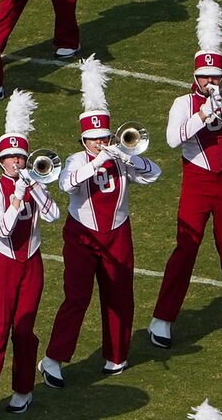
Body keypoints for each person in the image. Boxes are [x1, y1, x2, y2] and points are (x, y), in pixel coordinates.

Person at [43, 58, 158, 383]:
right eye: (94, 139)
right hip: (82, 237)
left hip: (118, 233)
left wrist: (130, 158)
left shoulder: (121, 158)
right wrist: (96, 164)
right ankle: (54, 359)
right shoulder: (75, 160)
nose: (101, 143)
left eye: (104, 137)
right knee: (77, 297)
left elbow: (155, 175)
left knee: (120, 293)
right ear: (84, 140)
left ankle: (117, 355)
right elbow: (67, 184)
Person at [152, 0, 222, 346]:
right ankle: (162, 318)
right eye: (206, 77)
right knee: (185, 250)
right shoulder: (183, 103)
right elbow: (173, 139)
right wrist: (204, 114)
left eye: (216, 77)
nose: (211, 82)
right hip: (196, 182)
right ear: (196, 77)